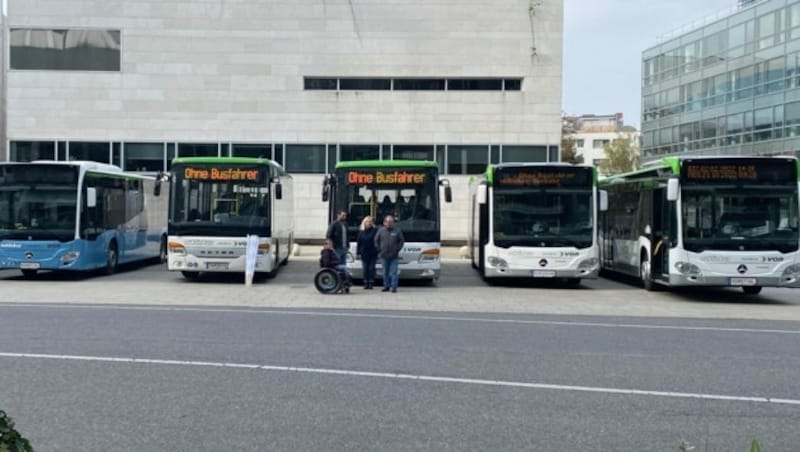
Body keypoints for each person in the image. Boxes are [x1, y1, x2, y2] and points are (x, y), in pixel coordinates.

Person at [374, 214, 404, 293]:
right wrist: (379, 249)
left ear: (393, 223)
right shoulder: (381, 230)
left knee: (394, 272)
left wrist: (397, 249)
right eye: (387, 222)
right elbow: (376, 240)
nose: (389, 223)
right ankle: (386, 286)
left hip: (394, 255)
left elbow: (401, 241)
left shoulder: (397, 230)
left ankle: (394, 287)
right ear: (384, 223)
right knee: (385, 272)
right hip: (383, 255)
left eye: (391, 222)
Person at [356, 216, 378, 290]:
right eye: (368, 222)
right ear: (364, 223)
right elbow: (359, 243)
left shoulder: (375, 231)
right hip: (364, 253)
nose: (369, 223)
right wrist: (358, 253)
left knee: (371, 268)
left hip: (373, 252)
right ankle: (365, 282)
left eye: (370, 222)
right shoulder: (361, 232)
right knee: (365, 268)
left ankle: (371, 282)